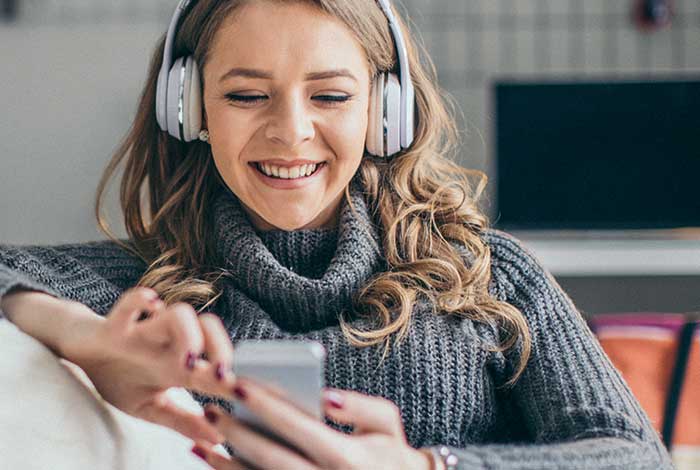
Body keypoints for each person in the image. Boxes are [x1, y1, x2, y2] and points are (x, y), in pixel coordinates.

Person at [0, 0, 673, 469]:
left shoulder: (488, 275)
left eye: (329, 95)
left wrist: (425, 466)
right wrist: (83, 338)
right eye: (245, 95)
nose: (290, 131)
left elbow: (634, 457)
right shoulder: (139, 294)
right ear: (188, 109)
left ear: (384, 111)